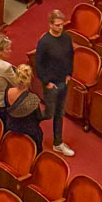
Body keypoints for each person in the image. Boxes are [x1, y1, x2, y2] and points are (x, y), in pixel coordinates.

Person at [34, 9, 75, 156]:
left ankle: (58, 143)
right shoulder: (44, 42)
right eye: (57, 25)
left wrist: (69, 74)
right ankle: (31, 119)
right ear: (50, 25)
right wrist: (46, 82)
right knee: (49, 113)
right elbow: (38, 64)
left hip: (64, 81)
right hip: (51, 84)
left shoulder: (66, 38)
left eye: (61, 25)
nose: (60, 27)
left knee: (60, 113)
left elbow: (71, 55)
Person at [5, 65, 44, 147]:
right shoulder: (33, 99)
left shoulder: (8, 91)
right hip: (29, 133)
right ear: (29, 80)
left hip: (11, 127)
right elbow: (38, 118)